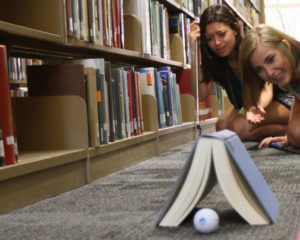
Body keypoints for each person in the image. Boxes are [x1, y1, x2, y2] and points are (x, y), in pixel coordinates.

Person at [190, 5, 293, 141]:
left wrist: (252, 110)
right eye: (209, 38)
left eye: (222, 34)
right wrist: (193, 50)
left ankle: (290, 130)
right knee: (222, 126)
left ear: (235, 29)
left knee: (239, 129)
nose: (217, 43)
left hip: (281, 98)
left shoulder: (250, 50)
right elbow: (201, 94)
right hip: (248, 104)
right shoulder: (215, 60)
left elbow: (267, 91)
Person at [239, 24, 300, 147]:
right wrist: (290, 135)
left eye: (271, 59)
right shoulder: (288, 72)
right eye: (259, 70)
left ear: (286, 47)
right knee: (295, 136)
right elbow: (297, 96)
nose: (269, 73)